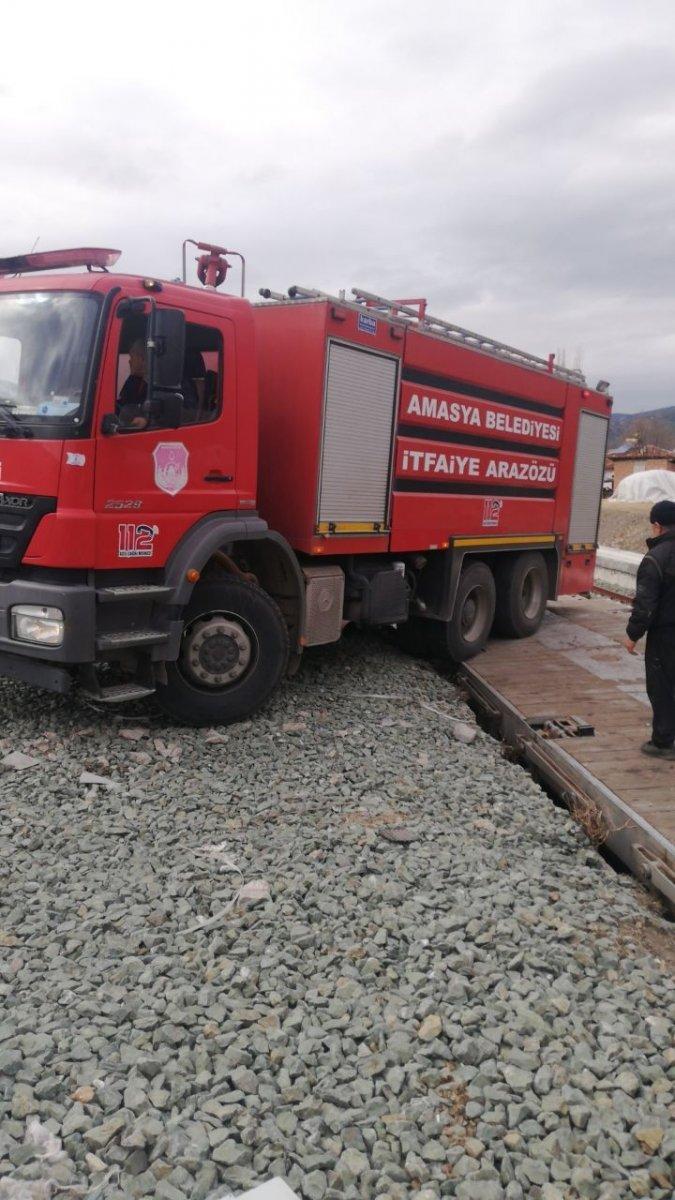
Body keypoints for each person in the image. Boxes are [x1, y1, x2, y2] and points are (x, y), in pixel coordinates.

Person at [624, 499, 675, 758]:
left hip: (666, 634)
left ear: (657, 526)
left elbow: (645, 604)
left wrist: (633, 634)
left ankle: (664, 742)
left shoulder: (655, 558)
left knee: (662, 685)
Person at [117, 338, 149, 429]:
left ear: (142, 359)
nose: (129, 361)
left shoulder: (163, 383)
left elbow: (184, 412)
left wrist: (147, 420)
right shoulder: (133, 380)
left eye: (132, 357)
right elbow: (123, 403)